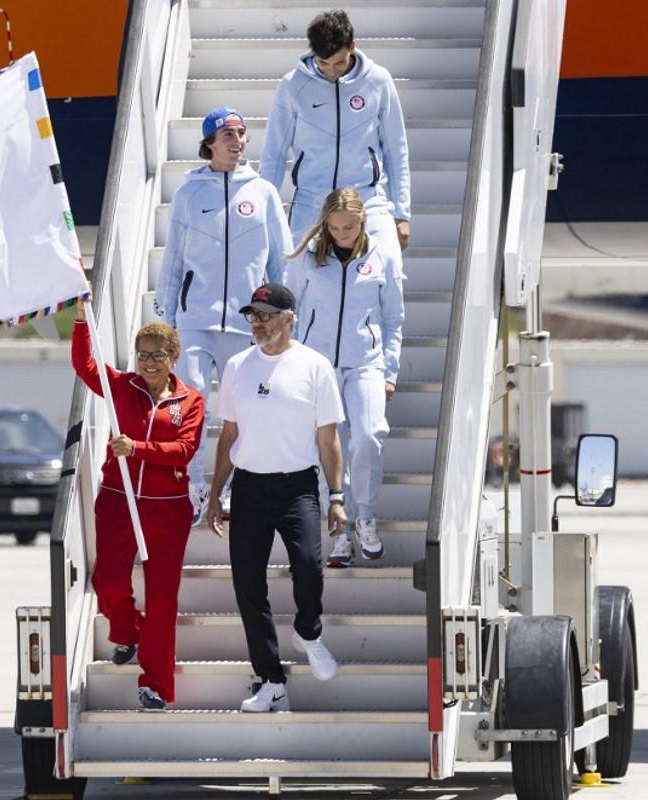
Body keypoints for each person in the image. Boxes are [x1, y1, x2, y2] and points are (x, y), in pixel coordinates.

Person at [206, 283, 346, 712]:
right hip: (248, 487)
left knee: (308, 568)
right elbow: (228, 434)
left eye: (266, 314)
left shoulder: (314, 366)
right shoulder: (236, 366)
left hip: (297, 488)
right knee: (248, 587)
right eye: (253, 315)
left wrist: (337, 496)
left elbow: (329, 440)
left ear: (289, 318)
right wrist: (215, 495)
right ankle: (271, 681)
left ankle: (309, 631)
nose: (257, 322)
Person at [154, 106, 293, 524]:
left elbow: (279, 263)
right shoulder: (188, 193)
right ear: (210, 143)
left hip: (248, 323)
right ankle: (193, 486)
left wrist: (285, 316)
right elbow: (174, 261)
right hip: (196, 318)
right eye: (228, 135)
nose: (237, 142)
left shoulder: (263, 192)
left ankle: (231, 487)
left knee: (243, 409)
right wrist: (166, 319)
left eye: (241, 134)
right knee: (191, 401)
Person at [71, 304, 205, 711]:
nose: (148, 362)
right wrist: (80, 320)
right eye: (142, 354)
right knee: (108, 582)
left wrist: (138, 449)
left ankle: (156, 686)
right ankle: (127, 630)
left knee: (163, 599)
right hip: (117, 500)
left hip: (167, 509)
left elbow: (184, 450)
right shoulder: (121, 387)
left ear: (173, 358)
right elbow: (84, 364)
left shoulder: (190, 400)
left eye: (157, 355)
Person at [286, 188, 405, 567]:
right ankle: (337, 530)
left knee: (369, 436)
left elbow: (392, 318)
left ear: (363, 222)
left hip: (366, 363)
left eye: (349, 227)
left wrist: (390, 370)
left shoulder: (382, 255)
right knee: (327, 445)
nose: (342, 234)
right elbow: (290, 311)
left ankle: (365, 517)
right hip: (316, 367)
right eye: (335, 228)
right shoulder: (308, 258)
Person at [259, 10, 411, 256]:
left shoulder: (378, 81)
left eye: (339, 62)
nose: (331, 71)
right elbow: (274, 153)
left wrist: (402, 213)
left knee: (387, 267)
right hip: (311, 202)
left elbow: (396, 150)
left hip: (367, 200)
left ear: (353, 46)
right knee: (299, 280)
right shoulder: (293, 85)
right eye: (323, 63)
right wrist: (263, 211)